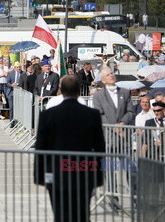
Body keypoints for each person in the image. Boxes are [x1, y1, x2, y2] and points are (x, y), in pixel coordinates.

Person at [34, 75, 105, 222]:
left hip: (56, 171)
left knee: (60, 214)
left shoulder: (48, 115)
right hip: (84, 171)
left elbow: (41, 146)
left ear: (60, 90)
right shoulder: (91, 114)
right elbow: (99, 148)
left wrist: (39, 175)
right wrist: (98, 176)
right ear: (79, 90)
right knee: (82, 214)